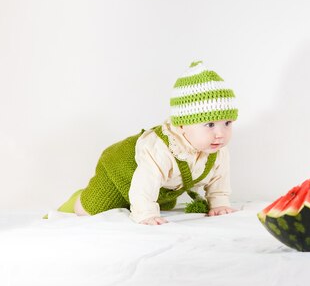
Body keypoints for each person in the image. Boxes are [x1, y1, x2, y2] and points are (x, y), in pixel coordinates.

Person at [53, 61, 238, 225]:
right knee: (91, 207)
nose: (220, 134)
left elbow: (219, 179)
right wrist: (145, 213)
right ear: (182, 124)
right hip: (121, 171)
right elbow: (145, 181)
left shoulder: (217, 150)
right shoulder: (162, 148)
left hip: (158, 186)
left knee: (163, 202)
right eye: (210, 124)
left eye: (227, 123)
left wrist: (219, 203)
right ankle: (72, 202)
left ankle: (139, 202)